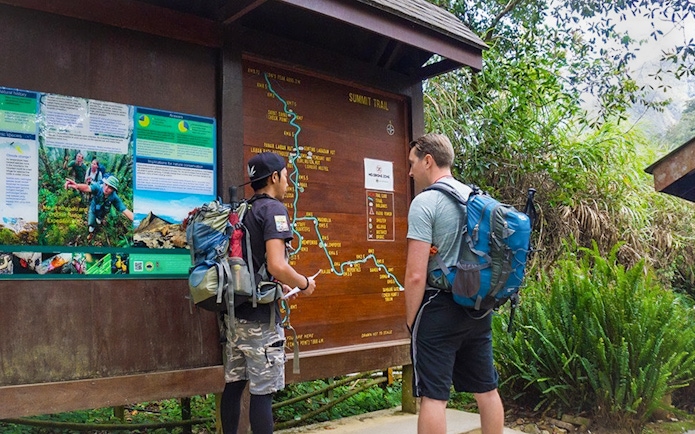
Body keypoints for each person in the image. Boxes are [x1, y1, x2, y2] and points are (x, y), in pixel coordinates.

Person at [405, 133, 504, 434]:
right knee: (486, 390)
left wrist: (412, 321)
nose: (409, 171)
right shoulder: (478, 198)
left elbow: (416, 274)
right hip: (478, 306)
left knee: (434, 398)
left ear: (428, 160)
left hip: (439, 308)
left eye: (412, 163)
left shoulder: (426, 202)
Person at [221, 152, 317, 434]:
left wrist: (279, 284)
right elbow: (277, 263)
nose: (288, 181)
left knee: (234, 386)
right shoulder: (273, 210)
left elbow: (255, 264)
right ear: (274, 177)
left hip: (235, 315)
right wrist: (302, 283)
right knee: (263, 391)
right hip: (261, 321)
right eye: (286, 175)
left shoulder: (244, 209)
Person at [64, 175, 134, 240]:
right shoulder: (98, 187)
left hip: (103, 212)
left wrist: (138, 221)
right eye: (106, 185)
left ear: (113, 190)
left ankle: (99, 221)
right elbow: (88, 188)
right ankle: (91, 232)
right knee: (91, 222)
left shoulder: (114, 198)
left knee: (99, 219)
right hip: (94, 209)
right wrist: (77, 186)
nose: (106, 188)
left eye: (110, 187)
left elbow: (124, 210)